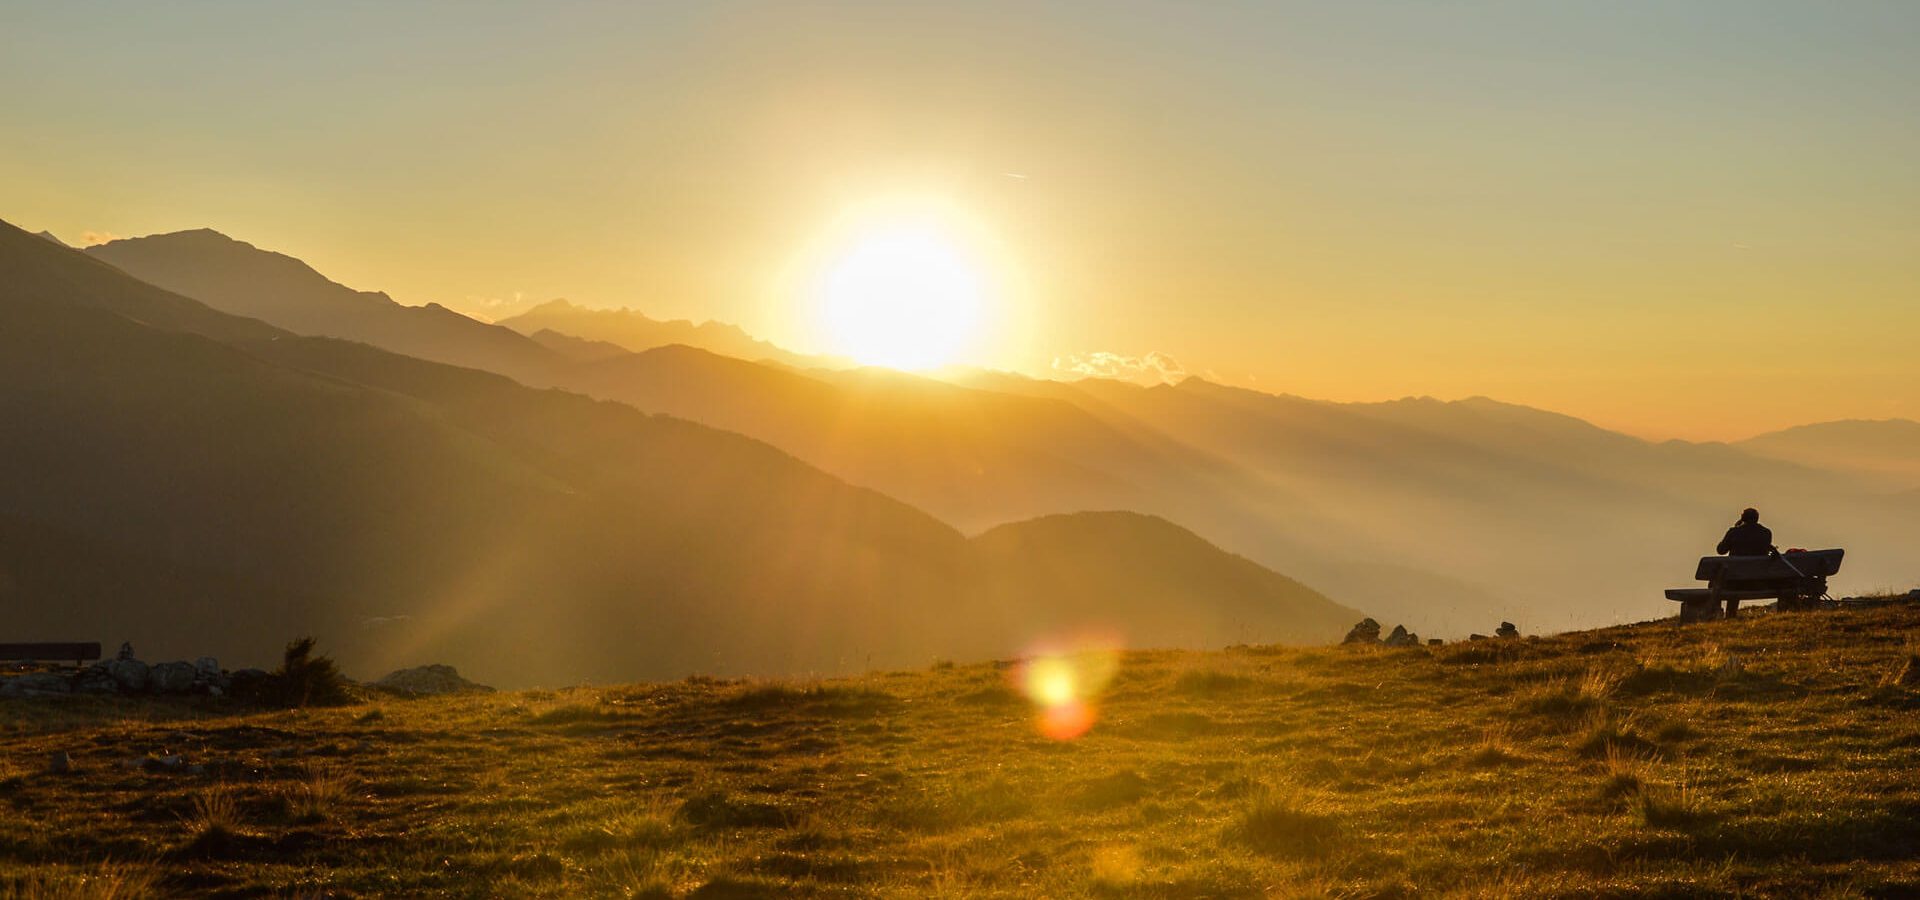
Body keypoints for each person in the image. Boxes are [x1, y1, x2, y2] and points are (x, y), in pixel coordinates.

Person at [1714, 508, 1774, 619]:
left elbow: (1721, 550)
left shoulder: (1734, 532)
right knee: (1735, 577)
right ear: (1757, 519)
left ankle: (1728, 615)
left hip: (1735, 583)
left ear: (1742, 518)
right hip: (1759, 582)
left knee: (1718, 582)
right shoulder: (1766, 533)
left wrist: (1735, 528)